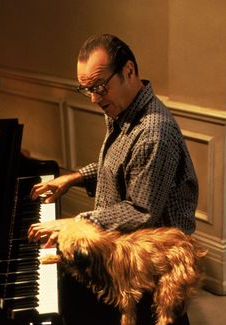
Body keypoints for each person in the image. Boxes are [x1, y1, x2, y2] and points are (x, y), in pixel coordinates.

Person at [28, 33, 198, 246]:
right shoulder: (121, 111)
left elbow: (140, 212)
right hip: (125, 245)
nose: (94, 99)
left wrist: (76, 223)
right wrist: (76, 178)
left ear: (129, 71)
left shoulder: (153, 133)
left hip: (151, 259)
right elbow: (121, 168)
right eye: (88, 89)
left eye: (99, 87)